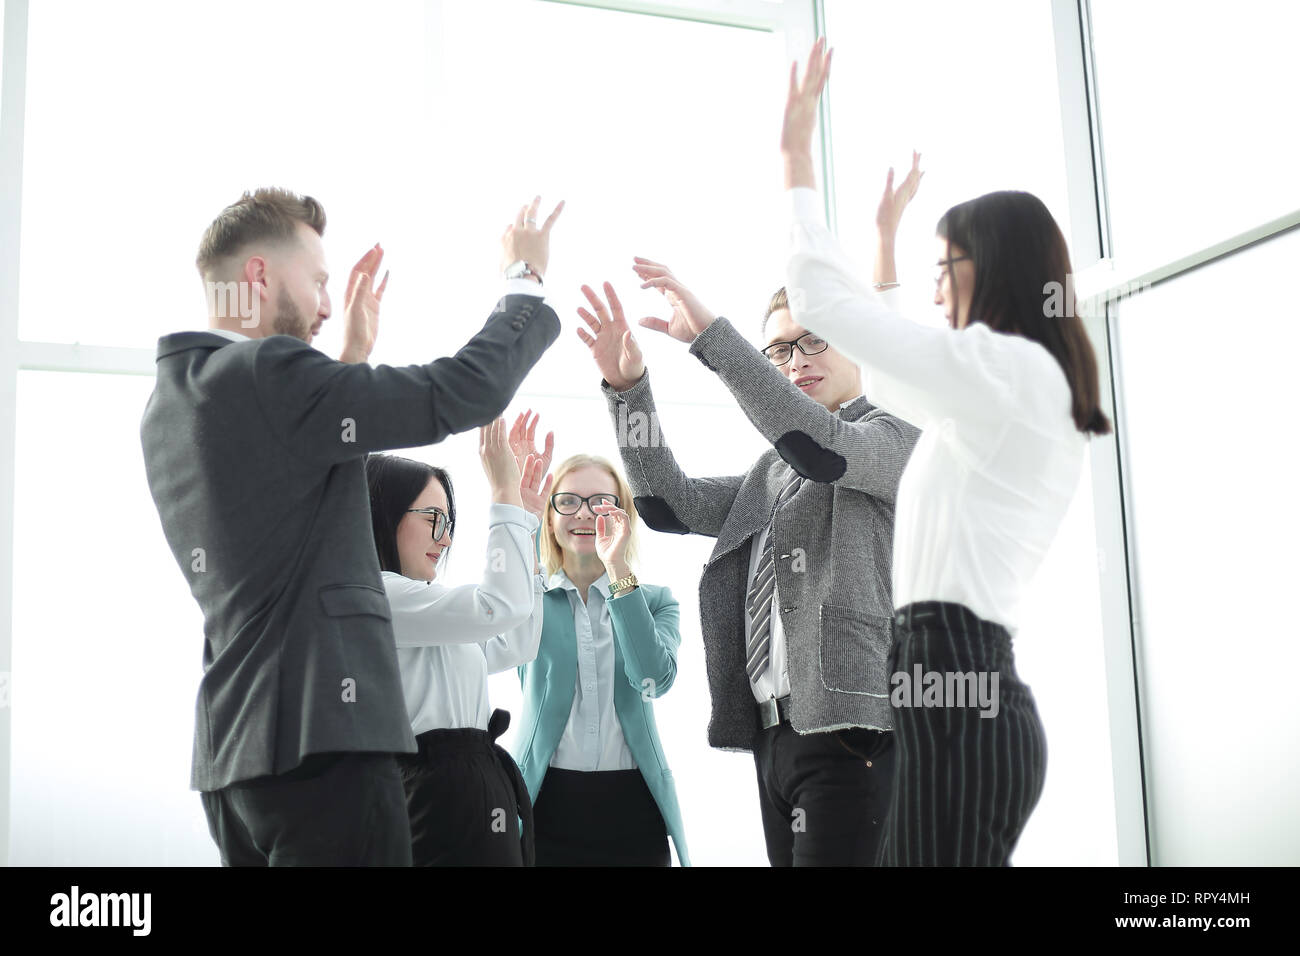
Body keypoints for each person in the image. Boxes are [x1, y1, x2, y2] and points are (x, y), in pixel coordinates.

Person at [140, 188, 562, 865]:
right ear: (258, 276)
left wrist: (347, 366)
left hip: (237, 760)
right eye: (318, 281)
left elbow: (293, 499)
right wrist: (525, 281)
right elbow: (458, 391)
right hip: (326, 746)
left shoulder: (173, 402)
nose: (328, 305)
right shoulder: (269, 372)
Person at [779, 39, 1113, 866]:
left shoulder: (1010, 371)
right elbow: (898, 380)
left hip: (958, 692)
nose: (932, 289)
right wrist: (887, 245)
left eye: (943, 267)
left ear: (990, 266)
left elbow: (826, 303)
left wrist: (794, 160)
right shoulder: (1011, 382)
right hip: (957, 691)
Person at [576, 237, 920, 863]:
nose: (796, 359)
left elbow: (818, 443)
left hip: (852, 730)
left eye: (814, 338)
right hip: (776, 738)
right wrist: (626, 389)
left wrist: (711, 337)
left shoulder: (891, 436)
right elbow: (666, 504)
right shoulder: (774, 473)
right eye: (781, 348)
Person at [366, 418, 551, 866]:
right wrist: (505, 498)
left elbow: (515, 640)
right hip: (434, 796)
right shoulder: (374, 596)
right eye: (433, 519)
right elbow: (500, 605)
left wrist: (525, 523)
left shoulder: (425, 607)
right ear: (383, 514)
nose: (445, 538)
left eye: (447, 522)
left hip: (475, 787)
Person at [510, 439, 690, 867]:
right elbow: (496, 608)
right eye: (568, 502)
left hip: (634, 809)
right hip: (545, 801)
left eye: (601, 502)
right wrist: (520, 518)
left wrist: (618, 573)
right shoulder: (527, 599)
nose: (585, 513)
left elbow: (655, 679)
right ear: (550, 518)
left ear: (622, 515)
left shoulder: (656, 600)